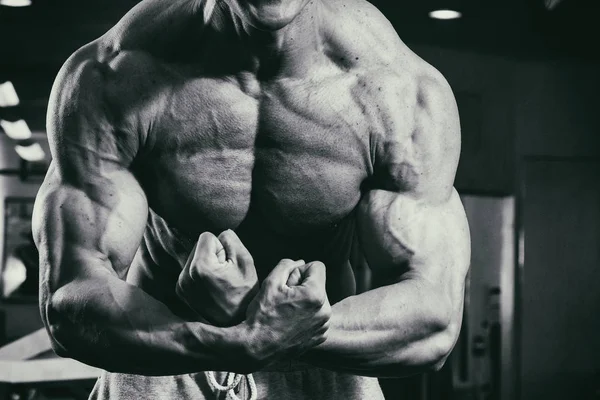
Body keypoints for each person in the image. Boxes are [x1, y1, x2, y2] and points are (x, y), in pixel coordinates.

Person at [32, 0, 471, 398]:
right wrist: (233, 343)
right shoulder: (113, 75)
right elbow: (68, 302)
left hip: (328, 366)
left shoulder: (399, 93)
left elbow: (434, 322)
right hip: (162, 360)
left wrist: (287, 333)